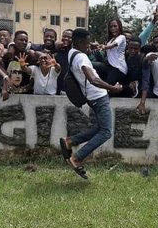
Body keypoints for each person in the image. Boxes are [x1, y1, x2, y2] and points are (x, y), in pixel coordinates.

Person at [59, 28, 122, 179]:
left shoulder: (72, 53)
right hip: (99, 97)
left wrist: (90, 49)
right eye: (87, 43)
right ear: (80, 42)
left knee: (101, 128)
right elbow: (93, 79)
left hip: (91, 97)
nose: (89, 46)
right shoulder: (81, 58)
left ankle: (70, 141)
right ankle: (77, 158)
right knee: (106, 132)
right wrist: (113, 88)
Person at [97, 18, 128, 86]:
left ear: (119, 27)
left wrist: (105, 47)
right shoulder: (111, 40)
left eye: (115, 26)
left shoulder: (122, 37)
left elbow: (114, 45)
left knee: (106, 87)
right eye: (111, 27)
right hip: (110, 67)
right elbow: (107, 46)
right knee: (93, 65)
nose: (112, 28)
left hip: (119, 69)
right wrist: (98, 45)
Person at [55, 29, 73, 94]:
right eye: (64, 36)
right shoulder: (58, 52)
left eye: (69, 37)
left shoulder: (75, 53)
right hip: (59, 87)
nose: (66, 38)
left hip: (71, 88)